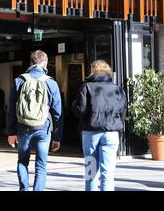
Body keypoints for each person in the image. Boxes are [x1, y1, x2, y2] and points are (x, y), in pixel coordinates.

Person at [7, 50, 63, 191]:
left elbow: (11, 110)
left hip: (23, 127)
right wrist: (57, 137)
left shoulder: (19, 80)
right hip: (43, 128)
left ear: (31, 63)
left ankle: (24, 189)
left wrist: (11, 132)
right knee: (41, 164)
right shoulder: (51, 83)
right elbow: (58, 113)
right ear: (44, 63)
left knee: (22, 161)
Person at [73, 60, 127, 191]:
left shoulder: (86, 87)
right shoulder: (117, 89)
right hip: (111, 132)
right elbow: (123, 111)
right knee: (107, 173)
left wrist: (75, 105)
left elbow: (79, 111)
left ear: (93, 70)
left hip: (91, 133)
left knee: (90, 172)